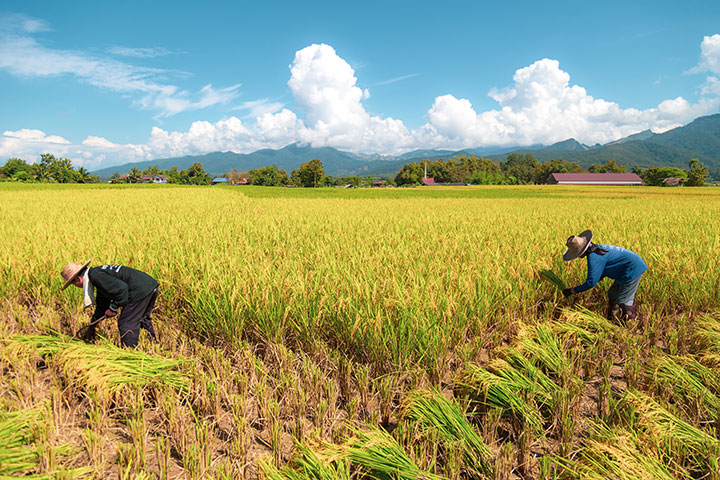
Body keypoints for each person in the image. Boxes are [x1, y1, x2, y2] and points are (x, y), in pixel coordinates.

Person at [61, 259, 159, 347]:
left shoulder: (96, 276)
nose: (75, 286)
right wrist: (92, 326)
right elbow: (102, 305)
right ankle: (154, 345)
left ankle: (131, 354)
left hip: (139, 289)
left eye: (73, 283)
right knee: (142, 319)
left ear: (78, 279)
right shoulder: (97, 274)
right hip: (150, 285)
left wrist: (113, 308)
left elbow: (122, 290)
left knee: (126, 323)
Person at [561, 230, 648, 323]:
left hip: (632, 270)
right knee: (612, 294)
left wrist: (571, 291)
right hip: (624, 271)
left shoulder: (594, 257)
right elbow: (601, 270)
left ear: (581, 252)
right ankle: (612, 319)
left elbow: (591, 283)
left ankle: (630, 325)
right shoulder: (597, 249)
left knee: (624, 300)